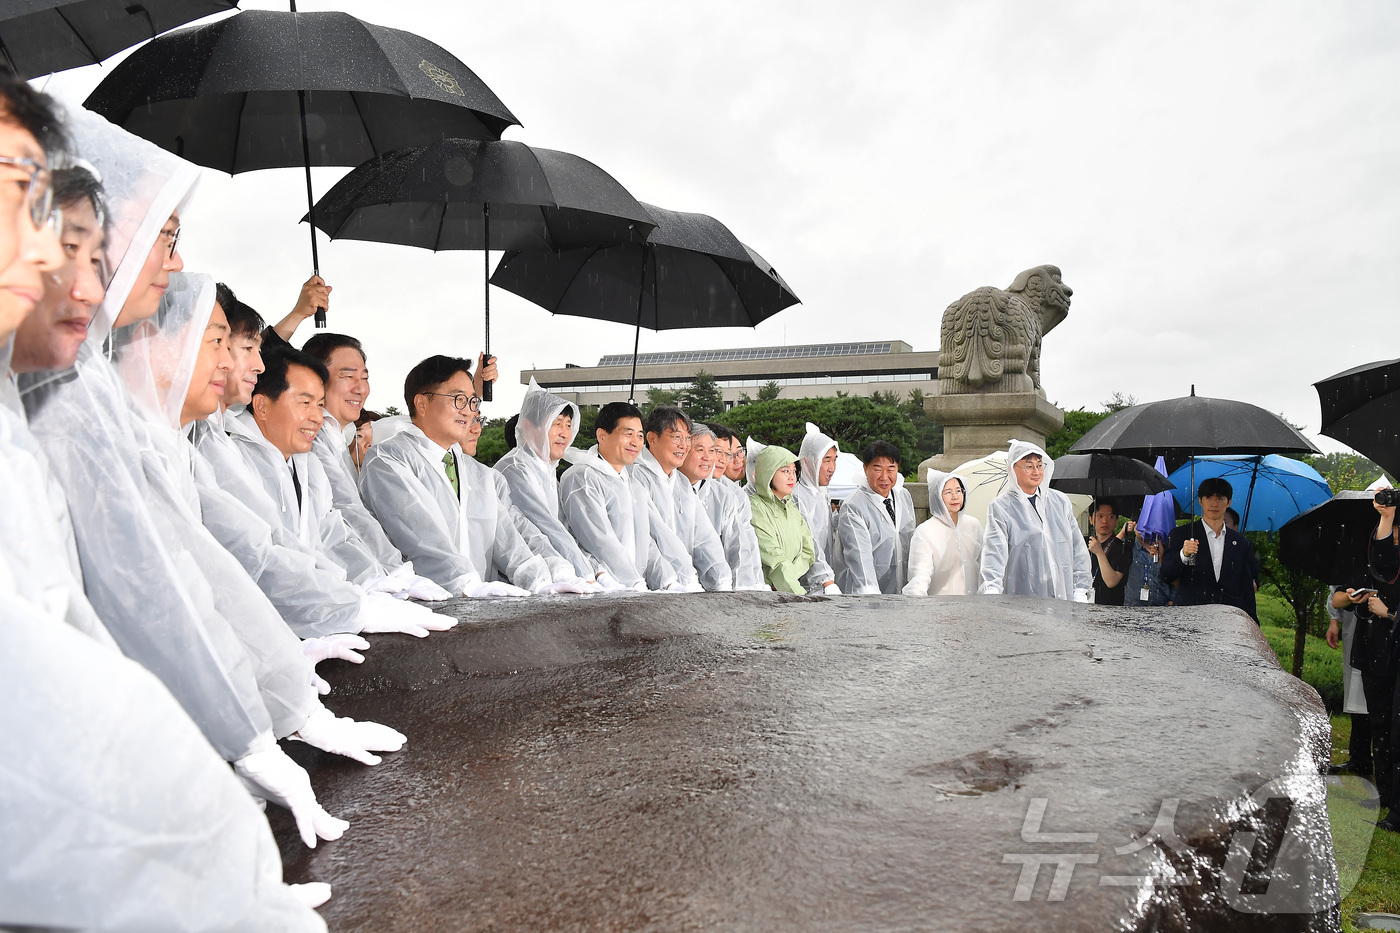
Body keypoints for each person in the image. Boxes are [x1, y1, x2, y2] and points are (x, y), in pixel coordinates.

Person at [20, 109, 346, 847]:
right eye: (162, 235)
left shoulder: (78, 390)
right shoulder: (65, 392)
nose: (246, 365)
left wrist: (271, 686)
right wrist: (252, 716)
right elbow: (147, 578)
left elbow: (190, 568)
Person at [190, 291, 451, 640]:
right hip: (248, 628)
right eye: (305, 402)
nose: (257, 364)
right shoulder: (224, 445)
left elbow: (330, 533)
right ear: (262, 406)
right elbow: (259, 549)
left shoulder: (303, 460)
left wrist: (371, 580)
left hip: (289, 621)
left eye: (318, 403)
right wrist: (349, 604)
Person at [359, 355, 589, 597]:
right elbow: (421, 535)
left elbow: (508, 535)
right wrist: (465, 583)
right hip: (418, 602)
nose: (468, 412)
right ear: (422, 403)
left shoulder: (478, 473)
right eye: (458, 399)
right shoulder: (389, 459)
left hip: (474, 607)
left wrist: (540, 579)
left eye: (472, 402)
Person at [495, 378, 617, 588]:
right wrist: (576, 572)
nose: (564, 433)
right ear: (528, 427)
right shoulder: (514, 469)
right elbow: (540, 527)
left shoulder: (548, 472)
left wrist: (597, 570)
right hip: (530, 580)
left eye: (568, 425)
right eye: (556, 424)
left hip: (561, 576)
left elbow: (566, 528)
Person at [558, 400, 680, 591]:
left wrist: (668, 581)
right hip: (599, 587)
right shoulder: (582, 477)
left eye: (640, 436)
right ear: (602, 435)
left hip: (634, 589)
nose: (635, 442)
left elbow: (645, 541)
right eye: (628, 434)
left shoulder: (633, 485)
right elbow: (598, 540)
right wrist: (632, 581)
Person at [632, 405, 733, 591]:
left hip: (680, 585)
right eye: (676, 437)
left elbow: (703, 537)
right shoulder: (636, 476)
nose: (683, 445)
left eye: (687, 438)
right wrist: (671, 579)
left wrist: (721, 578)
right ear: (652, 439)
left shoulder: (681, 482)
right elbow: (650, 537)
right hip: (643, 583)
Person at [979, 440, 1092, 600]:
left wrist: (1080, 589)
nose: (1036, 471)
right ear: (1012, 469)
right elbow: (994, 551)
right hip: (1022, 597)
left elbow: (1077, 547)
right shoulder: (1001, 507)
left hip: (1062, 597)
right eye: (1028, 466)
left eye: (1039, 465)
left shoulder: (1059, 501)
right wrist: (992, 588)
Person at [1161, 477, 1259, 621]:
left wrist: (1253, 623)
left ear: (1229, 502)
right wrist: (1183, 554)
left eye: (1220, 498)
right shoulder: (1181, 535)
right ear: (1200, 501)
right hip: (1191, 617)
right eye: (1208, 497)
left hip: (1228, 619)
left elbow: (1247, 589)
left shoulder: (1242, 543)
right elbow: (1165, 575)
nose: (1214, 504)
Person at [685, 422, 766, 590]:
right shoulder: (667, 488)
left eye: (724, 453)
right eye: (717, 451)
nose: (718, 459)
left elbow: (740, 547)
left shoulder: (726, 495)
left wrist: (747, 586)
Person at [834, 440, 915, 595]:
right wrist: (870, 594)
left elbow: (909, 539)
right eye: (877, 469)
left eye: (891, 469)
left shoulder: (903, 496)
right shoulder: (853, 506)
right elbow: (859, 558)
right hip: (865, 592)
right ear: (865, 469)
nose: (885, 477)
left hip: (901, 589)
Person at [747, 444, 815, 593]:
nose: (792, 476)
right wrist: (798, 594)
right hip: (764, 590)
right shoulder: (755, 507)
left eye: (794, 471)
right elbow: (773, 557)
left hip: (789, 587)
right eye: (785, 471)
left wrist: (789, 577)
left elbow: (809, 551)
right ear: (768, 472)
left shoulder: (791, 508)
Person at [903, 471, 982, 596]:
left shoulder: (973, 525)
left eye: (958, 491)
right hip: (940, 606)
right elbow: (920, 575)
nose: (955, 497)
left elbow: (983, 564)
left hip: (973, 604)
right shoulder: (925, 531)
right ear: (937, 496)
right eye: (948, 492)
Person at [1326, 585, 1373, 778]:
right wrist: (1333, 620)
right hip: (1355, 625)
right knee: (1356, 689)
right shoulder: (1353, 558)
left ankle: (1380, 759)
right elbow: (1336, 590)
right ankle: (1359, 758)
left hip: (1382, 624)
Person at [792, 422, 842, 594]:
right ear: (808, 462)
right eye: (826, 460)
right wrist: (824, 578)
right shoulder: (797, 495)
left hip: (825, 582)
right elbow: (808, 541)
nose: (832, 468)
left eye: (834, 460)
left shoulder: (821, 492)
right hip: (806, 585)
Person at [1086, 501, 1133, 605]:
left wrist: (1099, 552)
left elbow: (1111, 582)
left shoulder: (1123, 548)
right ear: (1091, 519)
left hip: (1111, 608)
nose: (1104, 521)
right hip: (1084, 606)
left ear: (1117, 520)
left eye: (1110, 517)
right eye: (1100, 516)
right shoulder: (1083, 544)